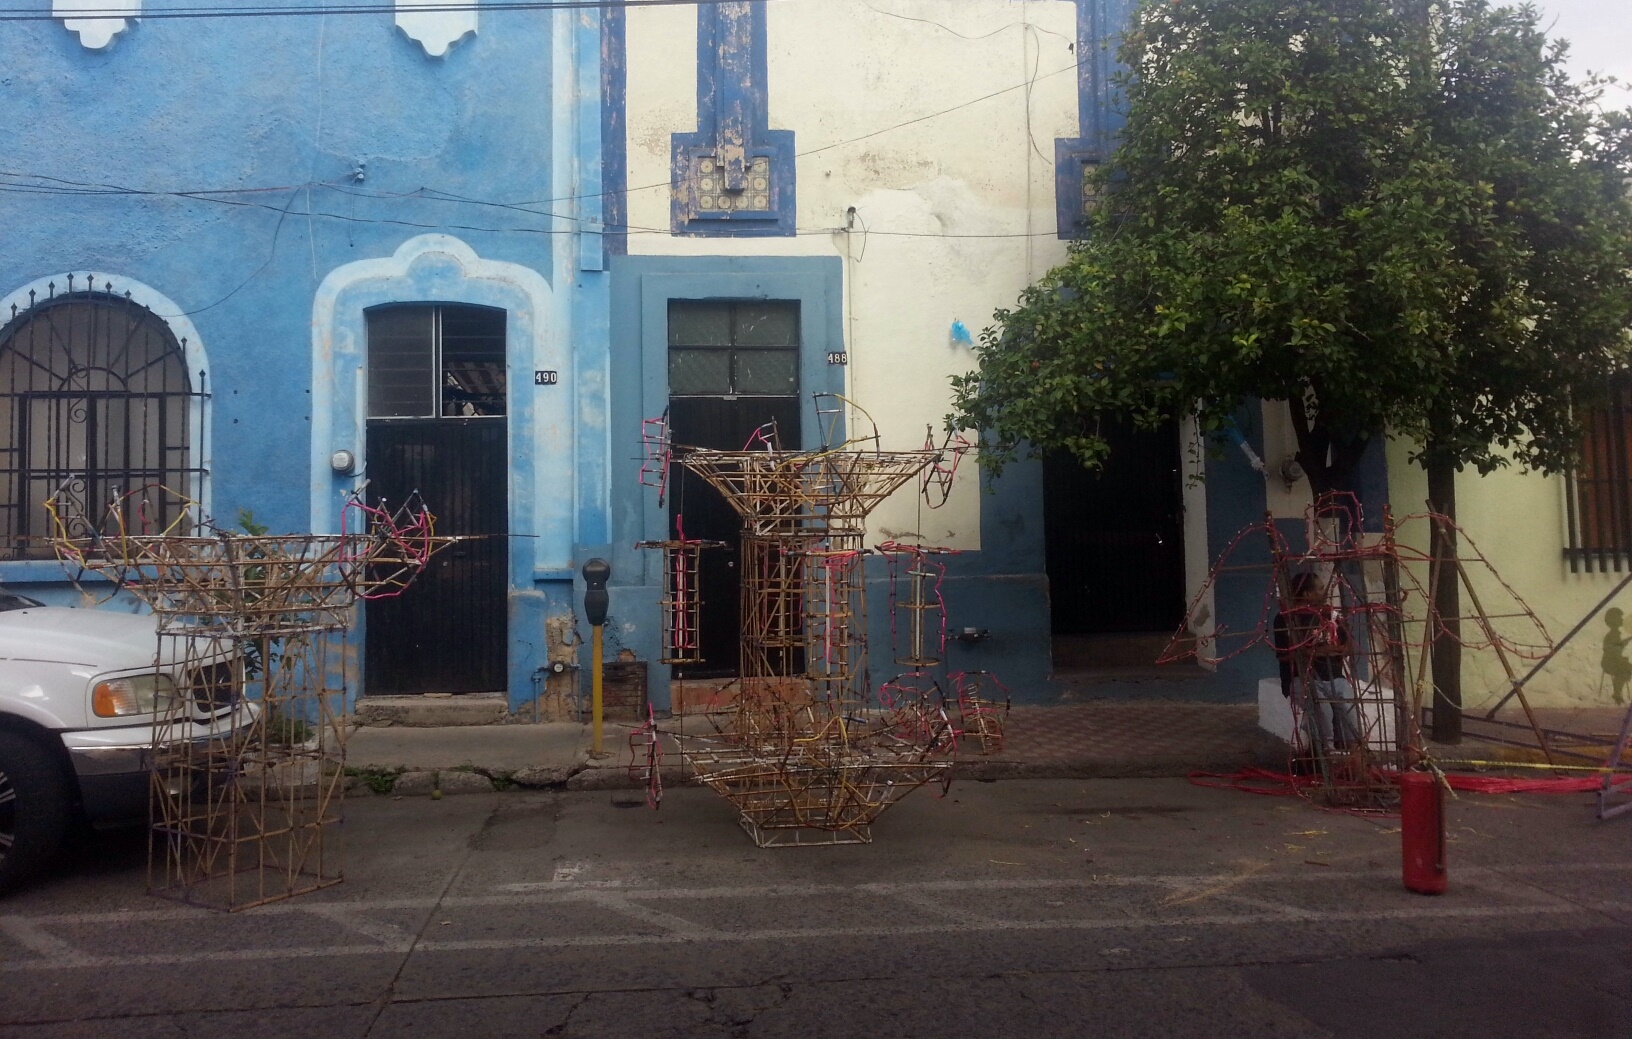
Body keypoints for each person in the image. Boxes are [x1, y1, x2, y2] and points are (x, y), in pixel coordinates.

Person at [1273, 571, 1359, 757]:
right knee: (1323, 711)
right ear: (1307, 594)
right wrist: (1315, 652)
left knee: (1350, 712)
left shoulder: (1330, 615)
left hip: (1335, 677)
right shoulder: (1286, 618)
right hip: (1303, 679)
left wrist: (1337, 649)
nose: (1325, 592)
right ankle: (1323, 755)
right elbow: (1283, 656)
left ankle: (1353, 756)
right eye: (1320, 589)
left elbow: (1348, 645)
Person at [1601, 607, 1632, 706]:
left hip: (1613, 661)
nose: (1622, 619)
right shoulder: (1612, 635)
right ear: (1614, 620)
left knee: (1627, 668)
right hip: (1609, 662)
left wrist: (1627, 640)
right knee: (1624, 670)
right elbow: (1611, 650)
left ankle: (1617, 693)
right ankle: (1617, 694)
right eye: (1619, 617)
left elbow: (1617, 648)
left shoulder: (1615, 634)